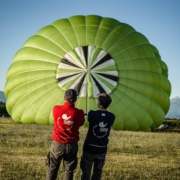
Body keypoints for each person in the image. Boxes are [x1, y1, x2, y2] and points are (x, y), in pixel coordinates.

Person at [45, 89, 85, 180]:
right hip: (72, 145)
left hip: (57, 144)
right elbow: (81, 123)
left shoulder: (56, 109)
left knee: (52, 169)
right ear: (76, 99)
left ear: (64, 98)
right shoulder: (80, 113)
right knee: (69, 171)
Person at [80, 93, 115, 180]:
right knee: (98, 171)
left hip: (89, 148)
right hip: (101, 148)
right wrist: (105, 97)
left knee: (86, 170)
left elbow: (90, 117)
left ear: (99, 103)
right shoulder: (111, 117)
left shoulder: (92, 114)